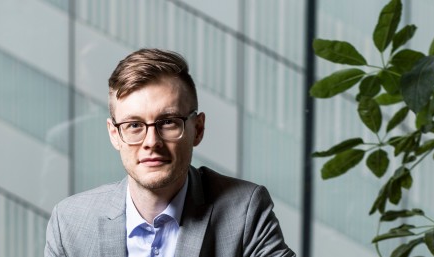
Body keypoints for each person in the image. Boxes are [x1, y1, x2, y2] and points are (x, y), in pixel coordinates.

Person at [44, 48, 295, 257]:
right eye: (134, 125)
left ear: (197, 129)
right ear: (114, 134)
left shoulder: (244, 210)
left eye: (168, 122)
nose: (151, 142)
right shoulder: (70, 223)